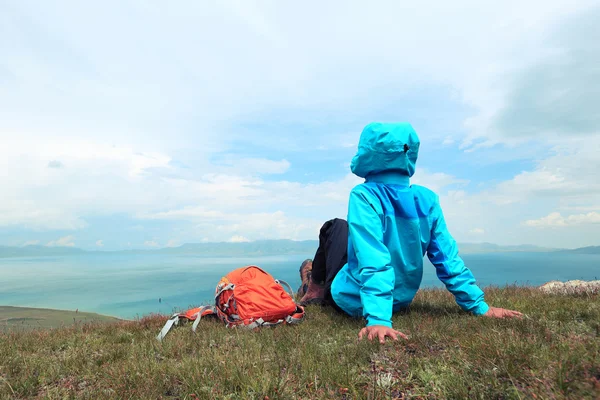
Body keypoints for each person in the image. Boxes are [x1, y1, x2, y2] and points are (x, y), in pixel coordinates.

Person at [300, 122, 522, 343]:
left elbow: (373, 259)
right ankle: (314, 281)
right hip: (400, 301)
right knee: (344, 232)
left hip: (350, 300)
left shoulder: (364, 194)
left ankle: (314, 288)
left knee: (335, 226)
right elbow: (447, 259)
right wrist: (479, 306)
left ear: (368, 152)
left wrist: (378, 319)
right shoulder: (427, 199)